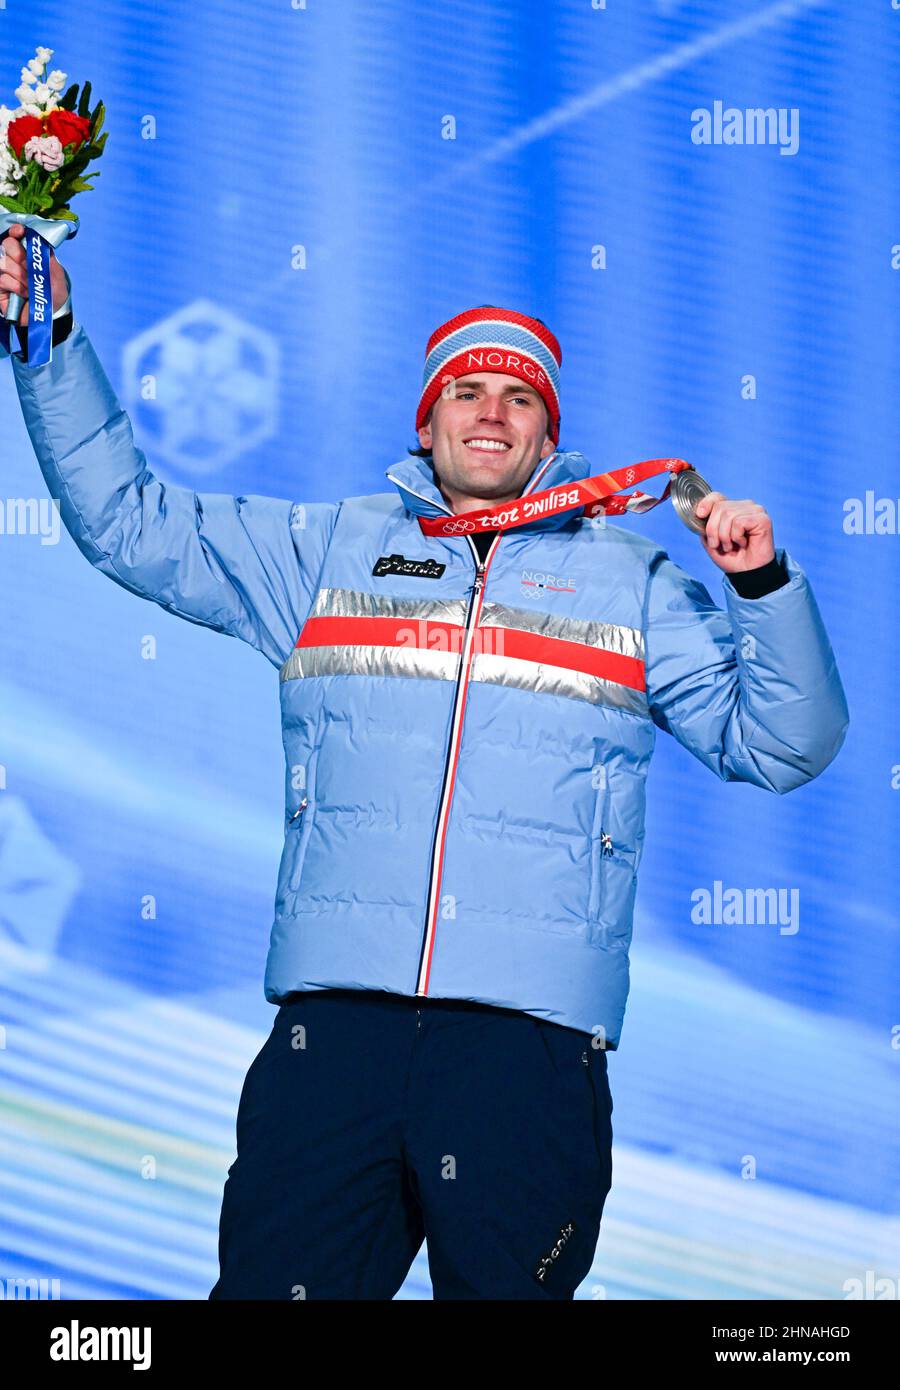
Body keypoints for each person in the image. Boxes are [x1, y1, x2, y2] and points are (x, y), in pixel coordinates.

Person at [1, 228, 849, 1300]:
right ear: (426, 420)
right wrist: (51, 340)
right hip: (336, 1031)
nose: (490, 411)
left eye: (517, 396)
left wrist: (765, 589)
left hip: (527, 1045)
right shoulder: (325, 550)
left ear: (551, 431)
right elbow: (130, 522)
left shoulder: (630, 581)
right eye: (466, 390)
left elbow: (784, 744)